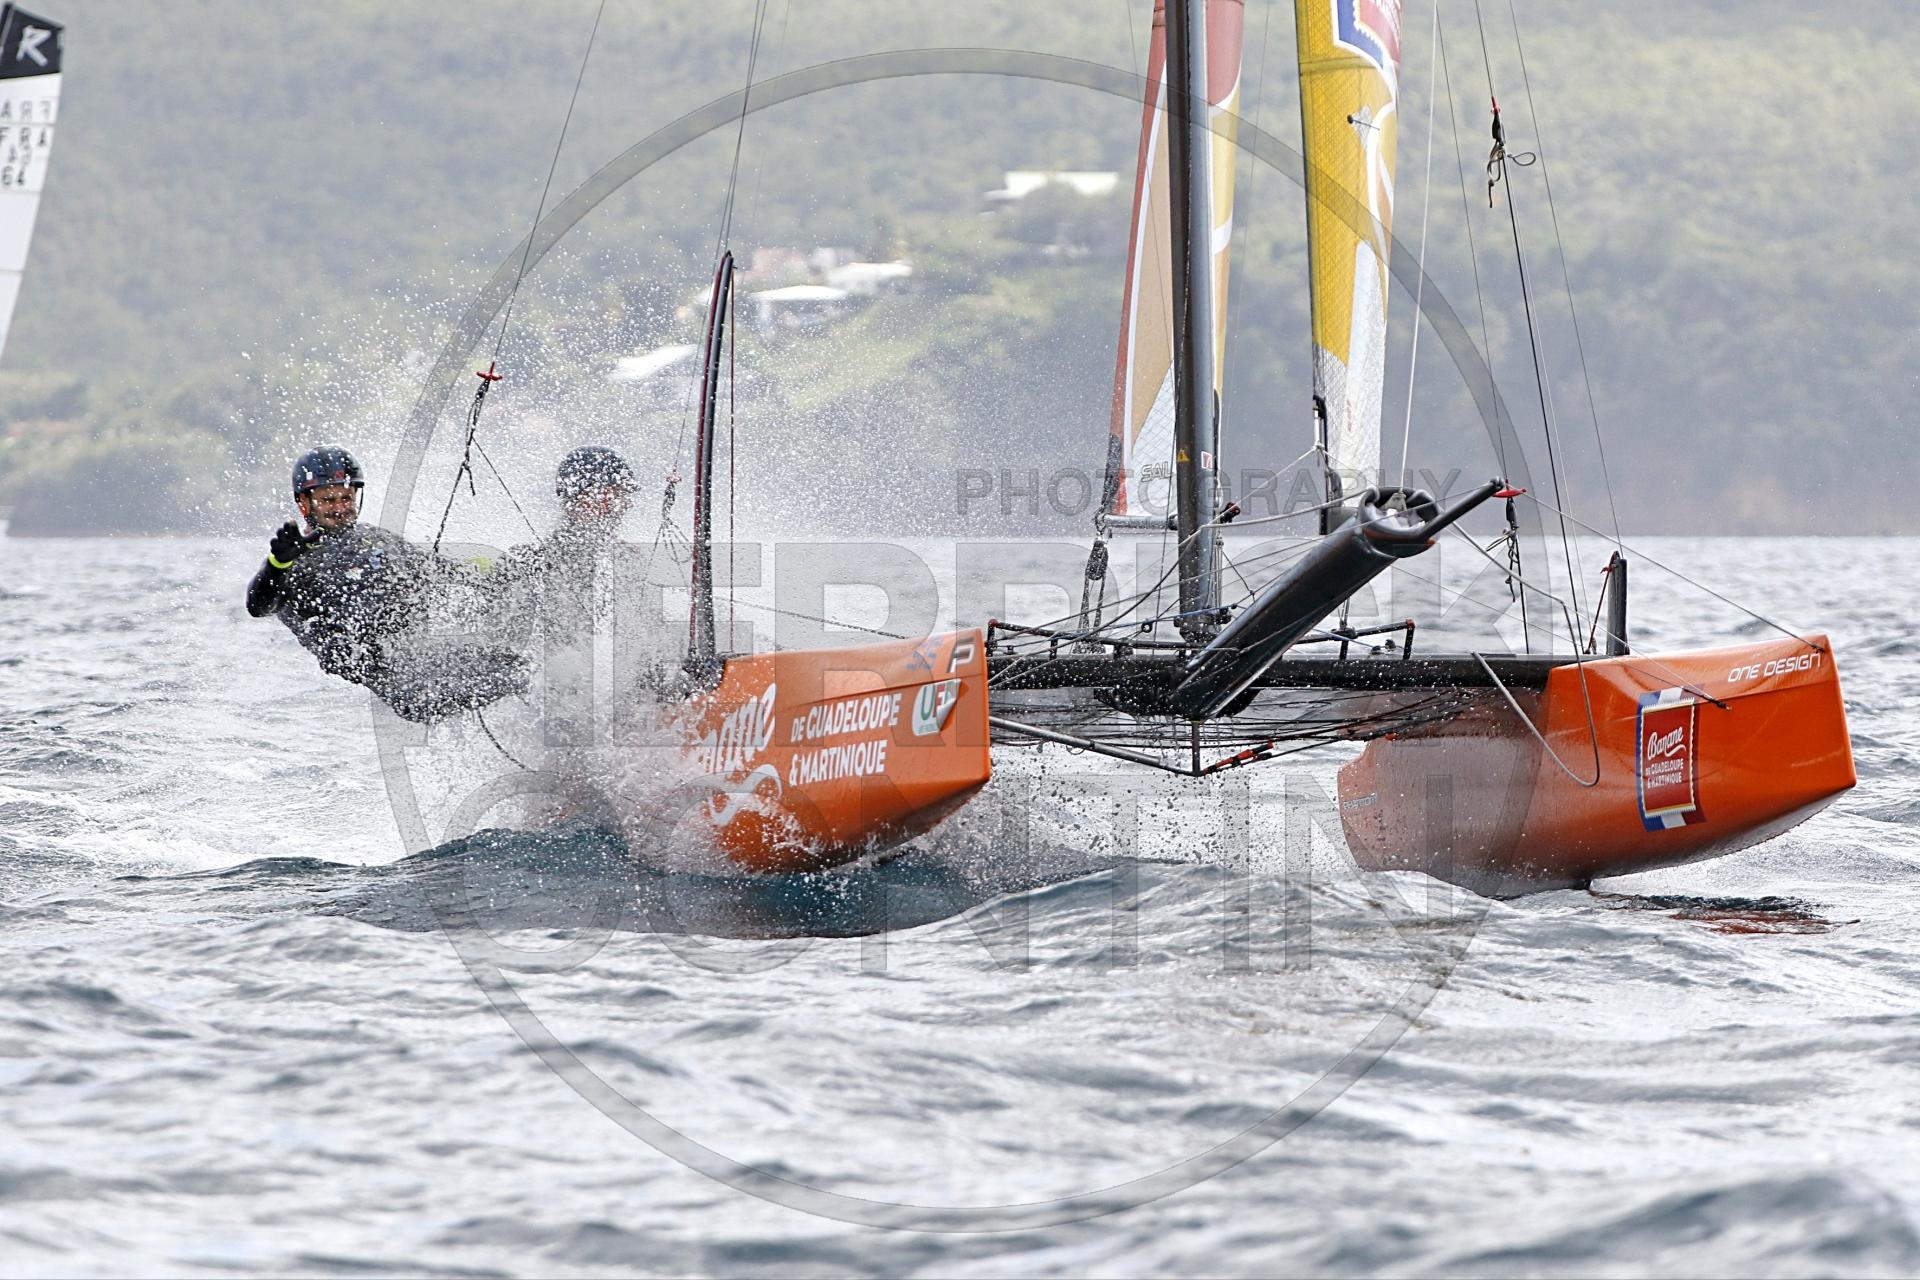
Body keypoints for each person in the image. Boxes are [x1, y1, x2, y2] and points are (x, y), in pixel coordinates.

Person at [246, 446, 529, 723]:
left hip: (425, 651)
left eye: (346, 498)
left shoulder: (376, 540)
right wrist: (277, 565)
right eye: (328, 500)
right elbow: (258, 607)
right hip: (393, 677)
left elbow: (444, 569)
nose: (340, 508)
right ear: (304, 503)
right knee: (422, 701)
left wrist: (508, 570)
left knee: (522, 666)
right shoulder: (292, 561)